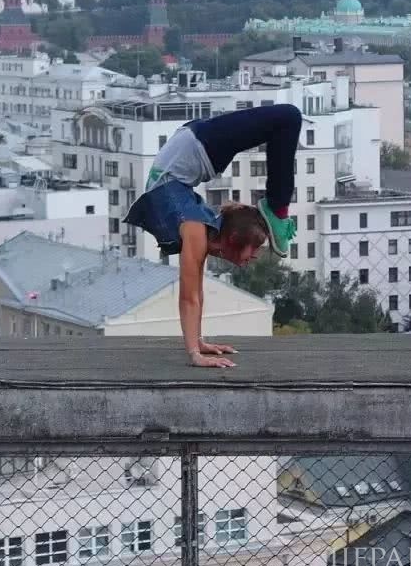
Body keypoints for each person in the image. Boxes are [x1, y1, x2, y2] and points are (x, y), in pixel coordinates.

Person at [124, 104, 302, 368]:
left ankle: (277, 207)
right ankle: (277, 209)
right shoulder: (196, 229)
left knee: (286, 120)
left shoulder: (200, 232)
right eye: (254, 247)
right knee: (288, 117)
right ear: (234, 239)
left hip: (195, 144)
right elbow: (188, 296)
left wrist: (198, 343)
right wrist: (195, 354)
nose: (254, 256)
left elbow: (195, 291)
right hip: (197, 145)